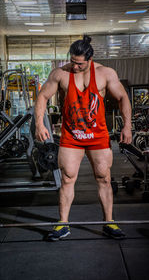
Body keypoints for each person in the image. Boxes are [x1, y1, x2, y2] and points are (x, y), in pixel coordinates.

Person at [35, 35, 132, 241]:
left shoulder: (105, 73)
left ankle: (109, 223)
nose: (75, 66)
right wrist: (39, 124)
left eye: (79, 64)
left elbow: (123, 97)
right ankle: (63, 224)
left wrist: (127, 126)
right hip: (71, 136)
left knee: (103, 178)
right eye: (73, 61)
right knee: (68, 178)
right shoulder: (61, 73)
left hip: (98, 136)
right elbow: (43, 96)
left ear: (90, 59)